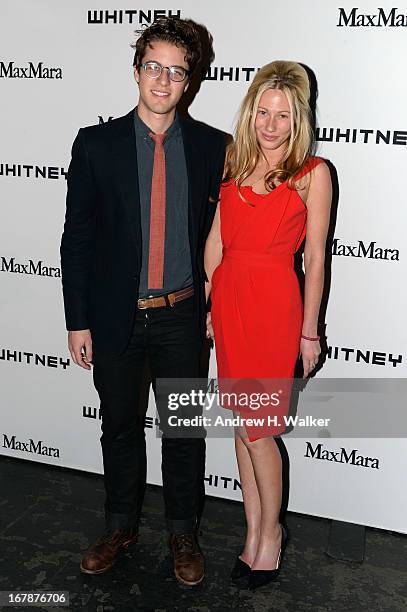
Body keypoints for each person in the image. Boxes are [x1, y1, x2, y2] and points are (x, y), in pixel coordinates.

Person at [60, 17, 225, 586]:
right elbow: (76, 238)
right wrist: (77, 320)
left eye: (176, 71)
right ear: (136, 71)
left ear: (189, 82)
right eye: (153, 66)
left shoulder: (213, 147)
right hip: (114, 317)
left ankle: (183, 532)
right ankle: (120, 526)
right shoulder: (96, 144)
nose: (163, 80)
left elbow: (221, 238)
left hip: (181, 315)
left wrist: (213, 306)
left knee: (182, 431)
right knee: (119, 429)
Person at [204, 60, 332, 590]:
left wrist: (309, 332)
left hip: (273, 305)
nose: (271, 124)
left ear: (297, 119)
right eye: (263, 112)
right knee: (240, 424)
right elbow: (217, 236)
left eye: (282, 115)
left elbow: (317, 259)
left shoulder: (312, 174)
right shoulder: (235, 159)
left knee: (259, 433)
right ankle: (252, 531)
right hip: (230, 300)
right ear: (250, 112)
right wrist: (210, 304)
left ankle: (272, 536)